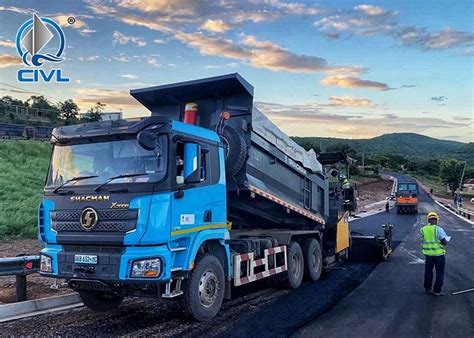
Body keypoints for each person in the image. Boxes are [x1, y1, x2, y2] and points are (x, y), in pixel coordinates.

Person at [421, 211, 450, 296]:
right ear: (436, 220)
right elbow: (444, 242)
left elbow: (425, 237)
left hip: (428, 254)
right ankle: (437, 290)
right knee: (439, 272)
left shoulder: (423, 229)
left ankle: (427, 288)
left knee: (428, 271)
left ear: (428, 220)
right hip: (439, 255)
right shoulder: (438, 229)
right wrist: (445, 240)